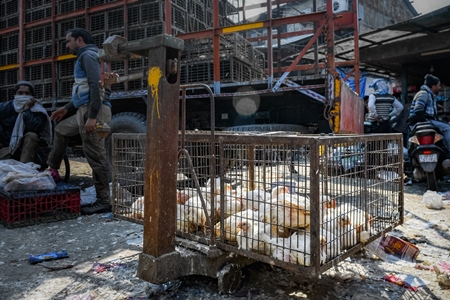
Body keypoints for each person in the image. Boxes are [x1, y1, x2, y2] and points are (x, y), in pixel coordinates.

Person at [46, 28, 112, 215]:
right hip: (83, 109)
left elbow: (95, 86)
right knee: (61, 129)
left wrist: (92, 117)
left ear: (79, 40)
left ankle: (103, 201)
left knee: (95, 155)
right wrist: (67, 108)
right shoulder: (89, 56)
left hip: (93, 111)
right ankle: (52, 169)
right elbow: (83, 89)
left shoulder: (88, 56)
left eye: (68, 41)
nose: (67, 45)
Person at [0, 80, 52, 163]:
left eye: (27, 93)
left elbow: (35, 128)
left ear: (32, 96)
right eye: (20, 93)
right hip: (8, 148)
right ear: (15, 94)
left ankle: (24, 170)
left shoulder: (38, 110)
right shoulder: (4, 108)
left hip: (30, 149)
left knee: (31, 135)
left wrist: (26, 109)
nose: (23, 96)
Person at [408, 74, 450, 149]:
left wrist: (438, 107)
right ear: (433, 86)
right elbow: (418, 110)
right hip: (420, 122)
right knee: (447, 128)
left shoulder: (429, 95)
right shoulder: (423, 94)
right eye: (439, 85)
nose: (440, 87)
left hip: (426, 120)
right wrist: (424, 122)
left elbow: (428, 106)